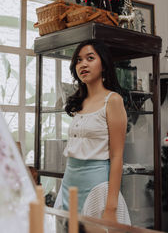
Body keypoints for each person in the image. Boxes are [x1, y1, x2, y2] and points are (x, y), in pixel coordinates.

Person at [54, 39, 131, 225]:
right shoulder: (79, 102)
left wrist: (111, 207)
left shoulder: (112, 100)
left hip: (96, 187)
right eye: (78, 60)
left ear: (103, 65)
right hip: (69, 184)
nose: (83, 64)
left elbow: (117, 156)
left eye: (90, 58)